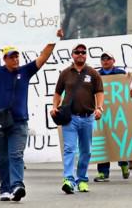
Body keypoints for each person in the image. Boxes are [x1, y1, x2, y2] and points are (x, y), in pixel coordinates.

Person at [0, 29, 62, 202]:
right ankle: (5, 189)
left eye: (17, 56)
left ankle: (17, 185)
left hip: (19, 122)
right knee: (2, 158)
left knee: (16, 155)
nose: (16, 59)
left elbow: (43, 57)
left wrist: (54, 40)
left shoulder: (25, 71)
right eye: (12, 56)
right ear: (5, 59)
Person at [51, 43, 104, 194]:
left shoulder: (93, 73)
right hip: (70, 118)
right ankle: (68, 179)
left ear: (86, 55)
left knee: (86, 151)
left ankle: (82, 180)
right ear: (72, 55)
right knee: (69, 149)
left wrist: (99, 108)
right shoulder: (65, 73)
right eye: (77, 52)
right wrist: (54, 106)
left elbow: (99, 92)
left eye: (83, 52)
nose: (80, 54)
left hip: (88, 118)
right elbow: (57, 93)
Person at [93, 51, 129, 182]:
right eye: (103, 59)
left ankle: (124, 164)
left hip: (118, 113)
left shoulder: (121, 73)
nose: (105, 61)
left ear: (113, 60)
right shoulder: (96, 74)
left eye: (108, 59)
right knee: (104, 141)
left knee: (119, 138)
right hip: (103, 112)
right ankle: (103, 173)